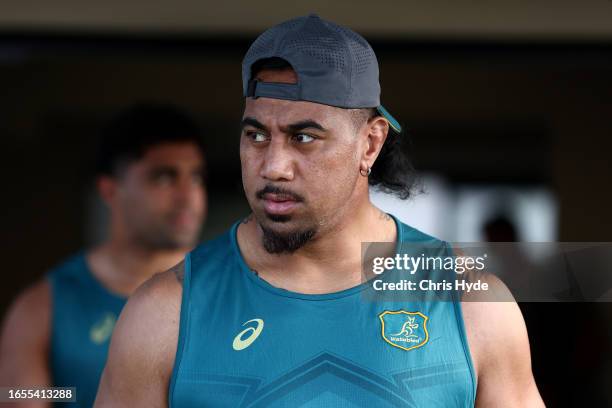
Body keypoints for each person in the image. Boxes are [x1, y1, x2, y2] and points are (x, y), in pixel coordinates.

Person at [95, 15, 544, 407]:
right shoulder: (164, 312)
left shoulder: (471, 306)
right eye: (255, 135)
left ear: (369, 143)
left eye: (303, 137)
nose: (273, 166)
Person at [0, 103, 208, 407]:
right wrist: (71, 394)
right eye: (164, 178)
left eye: (196, 178)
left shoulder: (231, 289)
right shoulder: (43, 306)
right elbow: (18, 396)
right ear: (110, 190)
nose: (187, 196)